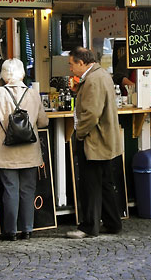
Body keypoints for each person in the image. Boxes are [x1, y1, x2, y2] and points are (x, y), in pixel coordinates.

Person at [0, 58, 49, 241]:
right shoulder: (33, 94)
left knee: (10, 190)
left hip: (6, 151)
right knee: (28, 190)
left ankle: (10, 231)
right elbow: (44, 121)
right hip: (29, 150)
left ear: (4, 74)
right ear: (21, 73)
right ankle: (27, 229)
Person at [66, 46, 123, 239]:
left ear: (81, 63)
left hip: (94, 141)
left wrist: (79, 134)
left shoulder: (92, 79)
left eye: (72, 64)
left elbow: (91, 113)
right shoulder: (101, 75)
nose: (70, 69)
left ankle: (89, 226)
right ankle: (112, 222)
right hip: (105, 140)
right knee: (105, 182)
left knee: (90, 184)